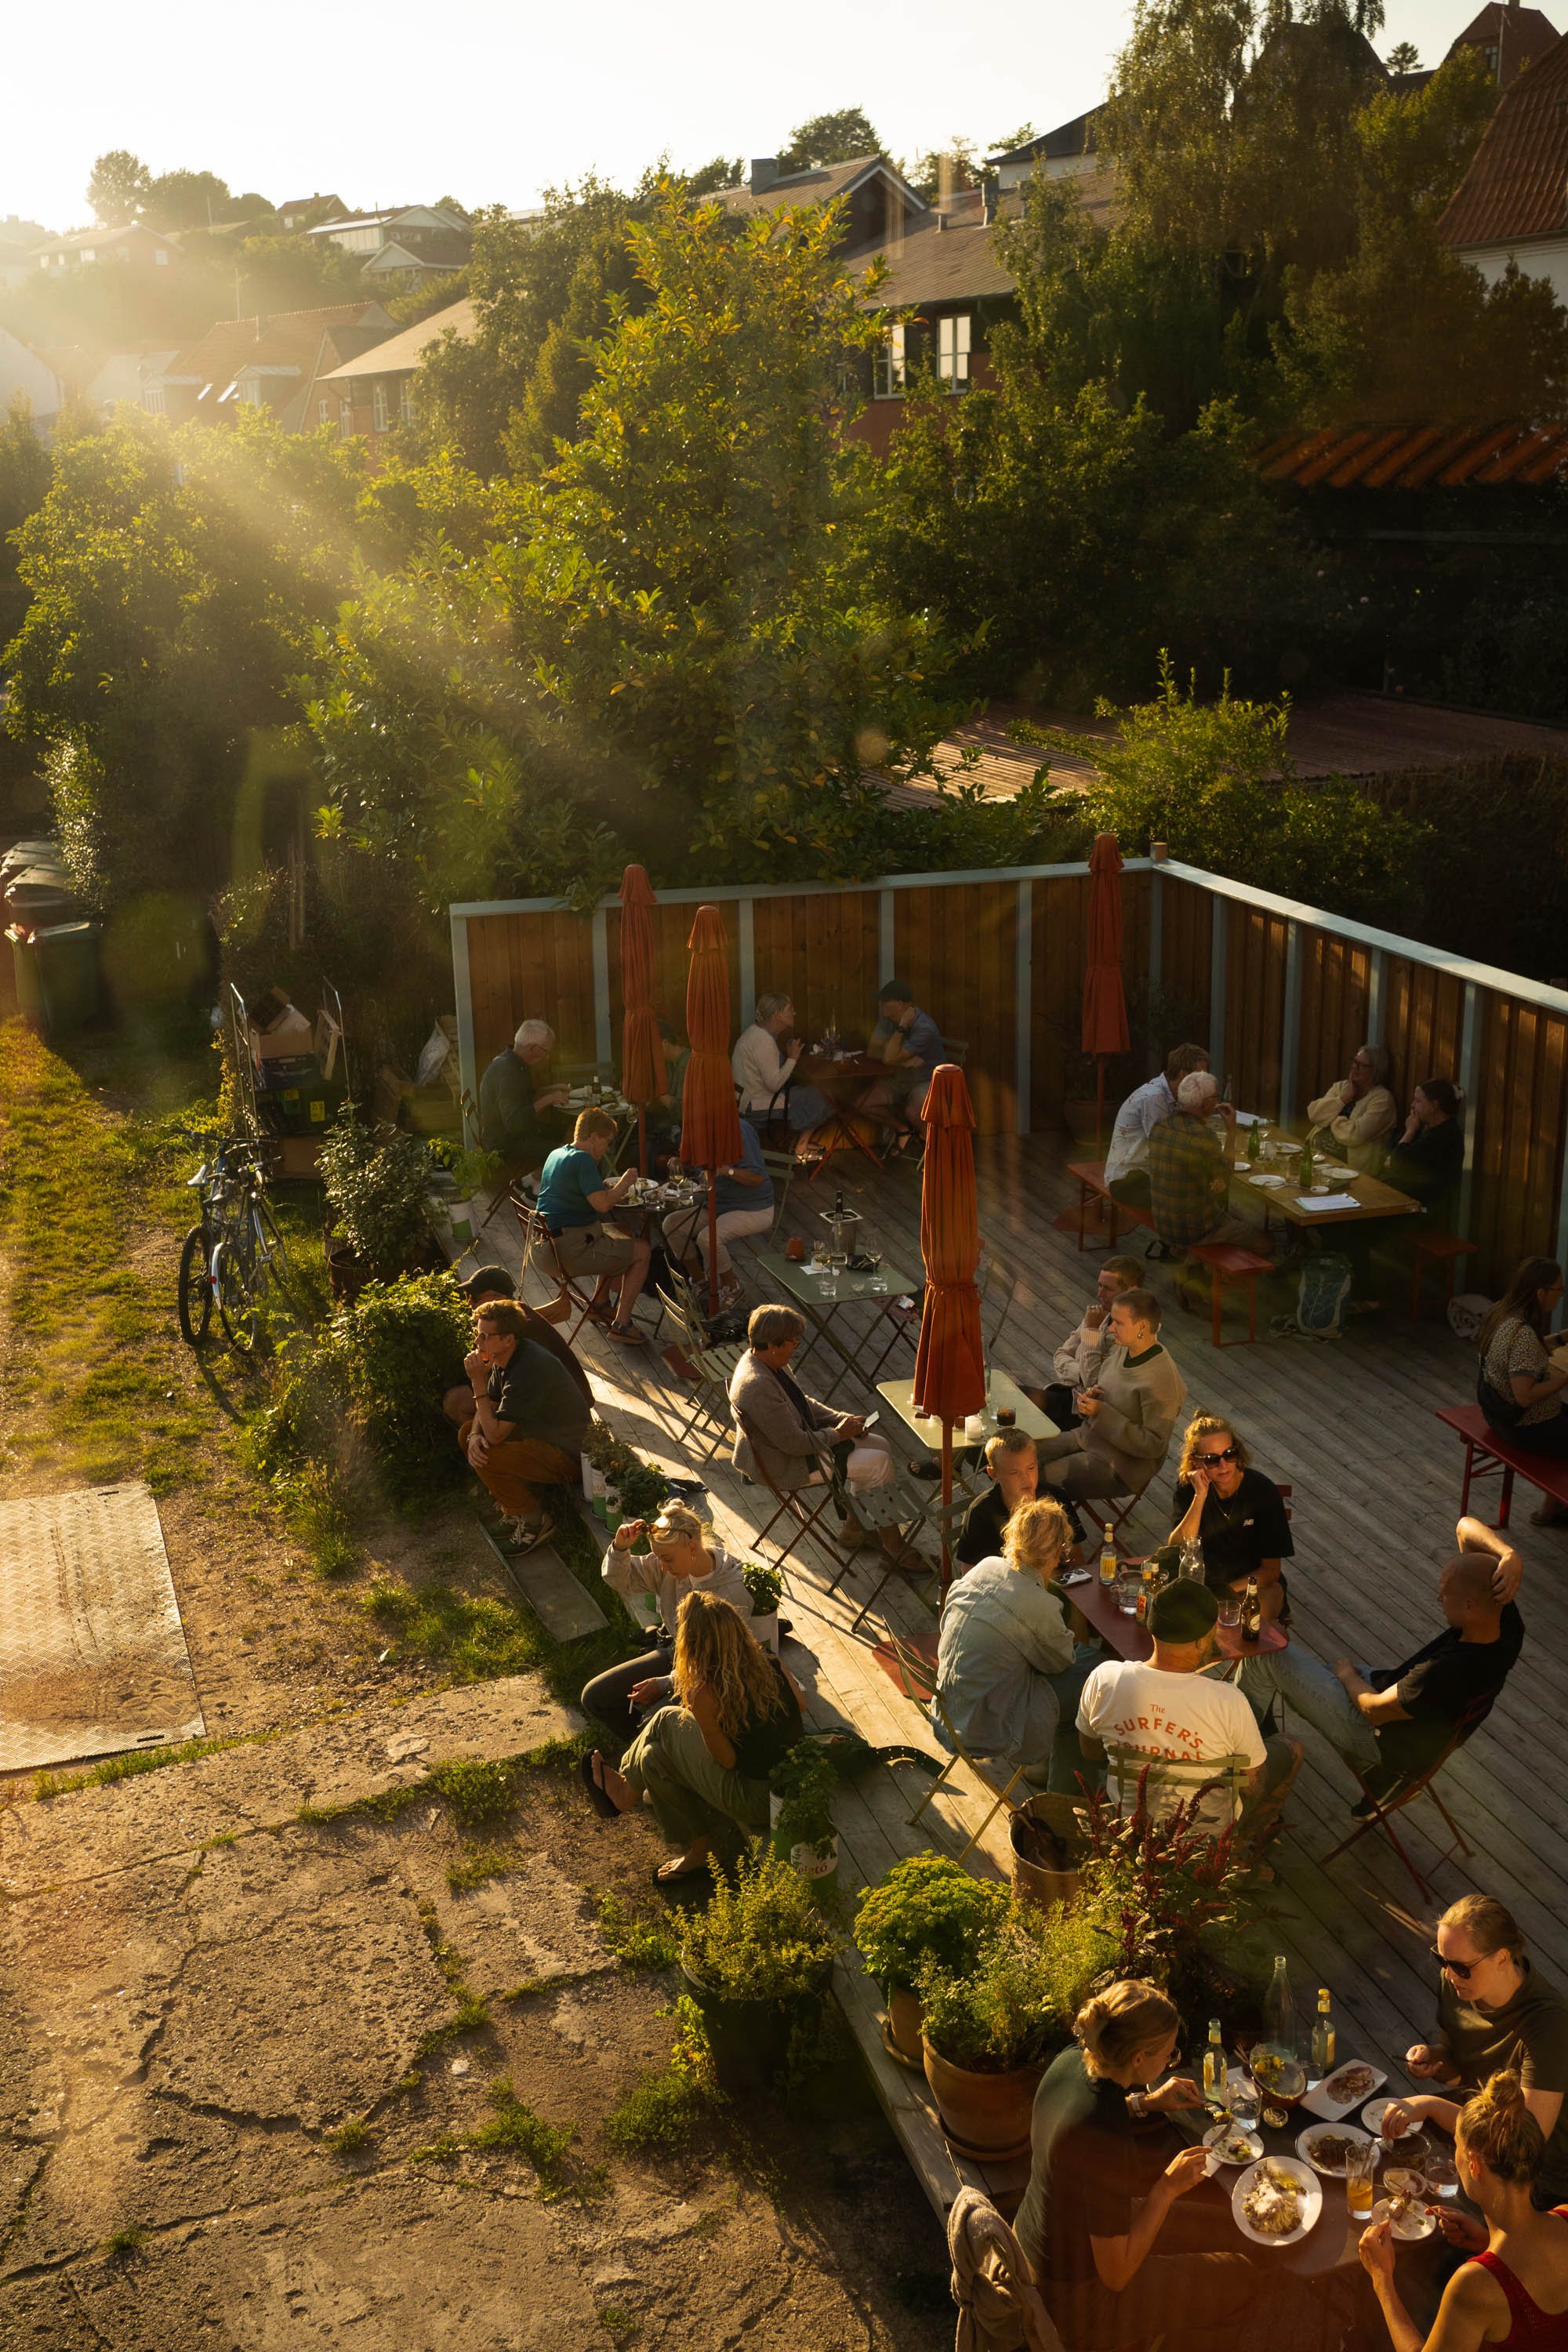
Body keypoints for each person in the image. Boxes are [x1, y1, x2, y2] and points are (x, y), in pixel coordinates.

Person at [1014, 1980, 1265, 2351]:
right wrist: (1166, 2188)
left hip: (1043, 2238)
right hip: (1074, 2300)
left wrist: (1144, 2102)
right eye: (1168, 2054)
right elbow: (1116, 2276)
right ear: (1138, 2058)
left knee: (1226, 2226)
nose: (1170, 2061)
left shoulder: (1072, 2059)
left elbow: (1088, 2115)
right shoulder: (1105, 2140)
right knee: (1241, 2280)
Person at [1236, 1518, 1524, 1806]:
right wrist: (1509, 1555)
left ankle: (1243, 1771)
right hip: (1408, 1719)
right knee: (1286, 1673)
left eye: (1445, 1593)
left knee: (1264, 1656)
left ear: (1469, 1606)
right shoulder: (1504, 1625)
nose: (1439, 1598)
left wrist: (1347, 1675)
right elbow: (1464, 1527)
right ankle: (1251, 1751)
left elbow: (1373, 1710)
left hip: (1375, 1738)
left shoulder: (1444, 1671)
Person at [583, 1589, 804, 1884]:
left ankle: (625, 1792)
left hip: (757, 1801)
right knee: (652, 1758)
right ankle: (702, 1848)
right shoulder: (769, 1662)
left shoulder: (705, 1693)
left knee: (666, 1719)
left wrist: (704, 1723)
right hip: (791, 1780)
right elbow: (801, 1705)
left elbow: (727, 1761)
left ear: (692, 1644)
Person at [1380, 1896, 1568, 2215]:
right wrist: (1435, 2059)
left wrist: (1432, 2105)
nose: (1449, 1975)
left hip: (1532, 2179)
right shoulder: (1457, 1984)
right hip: (1475, 2134)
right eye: (1442, 1960)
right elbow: (1461, 2063)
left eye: (1460, 1967)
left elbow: (1520, 2146)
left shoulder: (1548, 2024)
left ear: (1502, 1958)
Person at [1077, 1579, 1300, 1842]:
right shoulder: (1228, 1700)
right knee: (1292, 1748)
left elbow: (1090, 1751)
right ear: (1200, 1642)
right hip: (1204, 1835)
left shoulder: (1104, 1679)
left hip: (1128, 1824)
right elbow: (1254, 1784)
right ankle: (1239, 1846)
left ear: (1152, 1629)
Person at [1359, 2071, 1568, 2351]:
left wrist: (1381, 2279)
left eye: (1456, 2144)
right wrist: (1486, 2241)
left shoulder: (1475, 2285)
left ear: (1473, 2164)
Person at [933, 1498, 1095, 1792]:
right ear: (1058, 1553)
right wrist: (1078, 1612)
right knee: (1093, 1679)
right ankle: (1067, 1791)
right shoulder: (1038, 1605)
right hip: (986, 1727)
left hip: (948, 1710)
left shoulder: (984, 1567)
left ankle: (1051, 1762)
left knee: (1079, 1662)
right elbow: (1060, 1663)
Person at [728, 1304, 906, 1555]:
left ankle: (854, 1530)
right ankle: (894, 1547)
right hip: (783, 1463)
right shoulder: (757, 1385)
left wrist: (842, 1420)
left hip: (791, 1447)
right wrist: (839, 1434)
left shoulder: (765, 1361)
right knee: (878, 1463)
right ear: (774, 1345)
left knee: (880, 1445)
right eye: (793, 1342)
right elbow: (795, 1444)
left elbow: (801, 1402)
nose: (796, 1347)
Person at [580, 1503, 754, 1740]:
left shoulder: (731, 1592)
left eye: (667, 1559)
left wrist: (665, 1684)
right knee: (594, 1697)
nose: (662, 1566)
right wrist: (620, 1549)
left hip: (712, 1675)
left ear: (692, 1548)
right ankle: (646, 1748)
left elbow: (719, 1665)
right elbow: (620, 1581)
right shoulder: (669, 1566)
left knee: (652, 1726)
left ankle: (657, 1746)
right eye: (659, 1558)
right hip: (677, 1653)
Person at [459, 1298, 592, 1552]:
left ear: (508, 1339)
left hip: (569, 1455)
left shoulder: (529, 1368)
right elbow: (490, 1406)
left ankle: (534, 1520)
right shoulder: (504, 1357)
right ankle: (513, 1510)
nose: (477, 1342)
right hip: (541, 1437)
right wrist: (475, 1434)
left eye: (485, 1336)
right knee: (467, 1433)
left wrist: (477, 1382)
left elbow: (495, 1435)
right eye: (477, 1334)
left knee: (488, 1454)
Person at [1036, 1290, 1189, 1505]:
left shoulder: (1161, 1380)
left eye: (1119, 1323)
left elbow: (1154, 1445)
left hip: (1121, 1466)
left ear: (1142, 1327)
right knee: (1018, 1456)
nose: (1110, 1328)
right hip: (1088, 1438)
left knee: (1035, 1480)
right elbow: (1104, 1388)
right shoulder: (1124, 1350)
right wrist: (1092, 1398)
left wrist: (1101, 1412)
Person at [536, 1109, 652, 1346]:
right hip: (565, 1252)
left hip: (543, 1246)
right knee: (643, 1251)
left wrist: (605, 1190)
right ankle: (622, 1325)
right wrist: (625, 1183)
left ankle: (599, 1304)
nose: (607, 1149)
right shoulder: (583, 1160)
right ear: (594, 1137)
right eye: (607, 1142)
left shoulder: (558, 1153)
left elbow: (583, 1194)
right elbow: (603, 1204)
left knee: (622, 1231)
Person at [1168, 1415, 1294, 1624]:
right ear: (1195, 1462)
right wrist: (1200, 1497)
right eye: (1211, 1459)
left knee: (1249, 1619)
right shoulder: (1189, 1490)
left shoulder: (1262, 1491)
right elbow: (1177, 1549)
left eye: (1230, 1454)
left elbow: (1270, 1572)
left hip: (1254, 1585)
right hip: (1205, 1584)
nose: (1223, 1464)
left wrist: (1225, 1592)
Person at [1146, 1072, 1264, 1275]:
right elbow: (1224, 1179)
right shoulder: (1203, 1136)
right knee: (1265, 1241)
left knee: (1235, 1215)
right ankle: (1205, 1269)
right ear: (1208, 1104)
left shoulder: (1161, 1124)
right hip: (1195, 1229)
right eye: (1216, 1098)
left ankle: (1191, 1260)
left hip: (1164, 1222)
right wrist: (1231, 1130)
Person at [1478, 1259, 1568, 1504]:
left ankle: (1552, 1507)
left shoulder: (1502, 1313)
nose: (1561, 1294)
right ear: (1540, 1293)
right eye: (1559, 1289)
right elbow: (1525, 1396)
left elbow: (1529, 1353)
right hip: (1525, 1427)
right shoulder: (1523, 1336)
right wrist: (1565, 1378)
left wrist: (1563, 1337)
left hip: (1496, 1414)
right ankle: (1553, 1506)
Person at [662, 1116, 773, 1300]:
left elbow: (757, 1178)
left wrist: (727, 1171)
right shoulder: (699, 1127)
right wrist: (682, 1163)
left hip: (752, 1207)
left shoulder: (739, 1130)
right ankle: (700, 1281)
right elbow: (701, 1168)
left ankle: (732, 1287)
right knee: (672, 1225)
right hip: (716, 1203)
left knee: (707, 1238)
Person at [956, 1429, 1084, 1570]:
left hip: (1054, 1581)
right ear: (994, 1474)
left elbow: (1076, 1559)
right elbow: (969, 1573)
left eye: (1031, 1468)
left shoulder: (1056, 1499)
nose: (1026, 1478)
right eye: (1014, 1472)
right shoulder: (981, 1512)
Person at [1105, 1045, 1214, 1210]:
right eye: (1200, 1076)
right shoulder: (1154, 1098)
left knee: (1205, 1187)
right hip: (1128, 1180)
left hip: (1150, 1173)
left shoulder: (1174, 1093)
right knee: (1193, 1198)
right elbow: (1167, 1148)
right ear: (1183, 1075)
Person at [1041, 1254, 1144, 1429]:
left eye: (1108, 1289)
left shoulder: (1130, 1334)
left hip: (1086, 1413)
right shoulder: (1100, 1315)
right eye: (1100, 1285)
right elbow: (1060, 1355)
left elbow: (1095, 1385)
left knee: (1020, 1405)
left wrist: (1091, 1331)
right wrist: (1081, 1374)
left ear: (1131, 1291)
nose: (1100, 1294)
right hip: (1070, 1393)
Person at [477, 1018, 572, 1171]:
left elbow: (526, 1097)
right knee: (567, 1153)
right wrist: (549, 1099)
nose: (547, 1057)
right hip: (505, 1144)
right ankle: (532, 1181)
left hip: (519, 1133)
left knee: (569, 1132)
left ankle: (534, 1180)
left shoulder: (515, 1062)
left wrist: (552, 1089)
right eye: (546, 1051)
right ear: (532, 1048)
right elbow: (515, 1122)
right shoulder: (508, 1072)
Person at [731, 993, 829, 1133]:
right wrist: (792, 1058)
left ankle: (803, 1140)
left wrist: (789, 1057)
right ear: (777, 1014)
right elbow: (774, 1085)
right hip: (757, 1107)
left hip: (746, 1102)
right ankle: (803, 1142)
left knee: (811, 1092)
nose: (794, 1013)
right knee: (823, 1096)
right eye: (790, 1009)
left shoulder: (754, 1032)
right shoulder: (764, 1041)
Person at [868, 978, 946, 1148]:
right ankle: (902, 1129)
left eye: (885, 1001)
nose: (880, 1004)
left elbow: (888, 1059)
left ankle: (936, 1148)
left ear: (900, 1004)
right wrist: (902, 1063)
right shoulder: (887, 1019)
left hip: (927, 1081)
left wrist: (902, 1026)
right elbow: (872, 1051)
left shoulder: (924, 1027)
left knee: (913, 1112)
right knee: (864, 1104)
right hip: (902, 1078)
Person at [1307, 1042, 1397, 1174]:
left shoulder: (1383, 1100)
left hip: (1350, 1169)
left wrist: (1332, 1119)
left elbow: (1355, 1135)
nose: (1355, 1067)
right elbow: (1314, 1115)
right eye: (1355, 1062)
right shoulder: (1341, 1087)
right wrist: (1344, 1098)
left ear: (1376, 1070)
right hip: (1316, 1156)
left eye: (1362, 1065)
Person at [1388, 1076, 1465, 1218]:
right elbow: (1393, 1150)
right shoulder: (1426, 1126)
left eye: (1418, 1101)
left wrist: (1410, 1132)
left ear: (1434, 1105)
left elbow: (1397, 1162)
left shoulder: (1444, 1136)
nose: (1412, 1105)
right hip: (1404, 1199)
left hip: (1421, 1210)